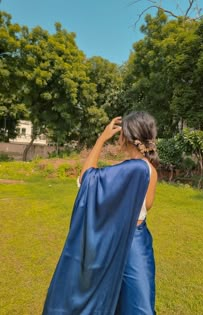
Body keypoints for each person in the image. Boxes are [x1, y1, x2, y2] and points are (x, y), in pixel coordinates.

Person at [42, 111, 158, 315]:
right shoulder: (150, 170)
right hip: (139, 242)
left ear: (126, 137)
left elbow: (85, 180)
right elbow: (147, 206)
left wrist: (101, 139)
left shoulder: (132, 169)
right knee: (137, 304)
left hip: (123, 242)